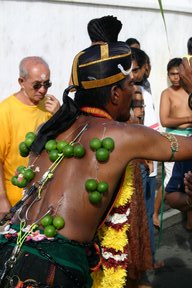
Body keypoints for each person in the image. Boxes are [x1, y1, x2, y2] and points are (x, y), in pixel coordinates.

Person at [1, 43, 192, 288]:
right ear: (115, 94)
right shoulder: (122, 135)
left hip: (8, 250)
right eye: (130, 85)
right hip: (54, 270)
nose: (134, 91)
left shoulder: (48, 129)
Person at [0, 56, 60, 215]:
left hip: (42, 201)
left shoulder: (49, 106)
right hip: (14, 203)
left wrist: (59, 116)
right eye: (37, 85)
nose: (43, 90)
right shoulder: (5, 111)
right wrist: (1, 199)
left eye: (47, 84)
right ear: (21, 82)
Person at [153, 58, 192, 229]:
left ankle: (190, 222)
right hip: (175, 141)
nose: (176, 78)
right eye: (172, 74)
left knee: (188, 181)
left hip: (189, 139)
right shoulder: (166, 93)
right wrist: (189, 119)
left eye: (179, 74)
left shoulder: (188, 91)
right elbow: (165, 119)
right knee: (171, 181)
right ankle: (155, 213)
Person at [131, 47, 159, 268]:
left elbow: (148, 128)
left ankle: (148, 261)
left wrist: (149, 157)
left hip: (147, 159)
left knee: (146, 215)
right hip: (137, 160)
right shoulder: (127, 93)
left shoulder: (143, 93)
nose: (132, 75)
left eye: (135, 70)